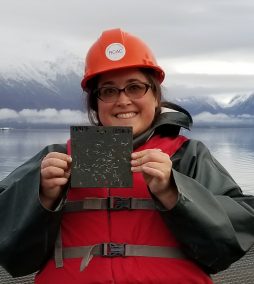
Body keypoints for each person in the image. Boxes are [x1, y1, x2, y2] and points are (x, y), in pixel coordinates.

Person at [0, 28, 254, 284]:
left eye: (134, 87)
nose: (123, 100)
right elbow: (16, 256)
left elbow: (235, 237)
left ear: (155, 96)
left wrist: (174, 191)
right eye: (108, 91)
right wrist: (42, 195)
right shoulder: (57, 158)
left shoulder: (189, 155)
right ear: (95, 104)